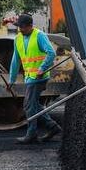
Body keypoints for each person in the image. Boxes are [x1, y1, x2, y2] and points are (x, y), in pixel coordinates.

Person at [10, 13, 61, 144]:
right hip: (29, 77)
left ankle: (31, 133)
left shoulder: (39, 36)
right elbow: (16, 60)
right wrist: (12, 79)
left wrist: (42, 68)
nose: (20, 29)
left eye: (23, 27)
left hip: (39, 77)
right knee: (34, 105)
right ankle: (52, 126)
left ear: (30, 26)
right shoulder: (18, 39)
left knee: (28, 105)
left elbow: (51, 53)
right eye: (19, 27)